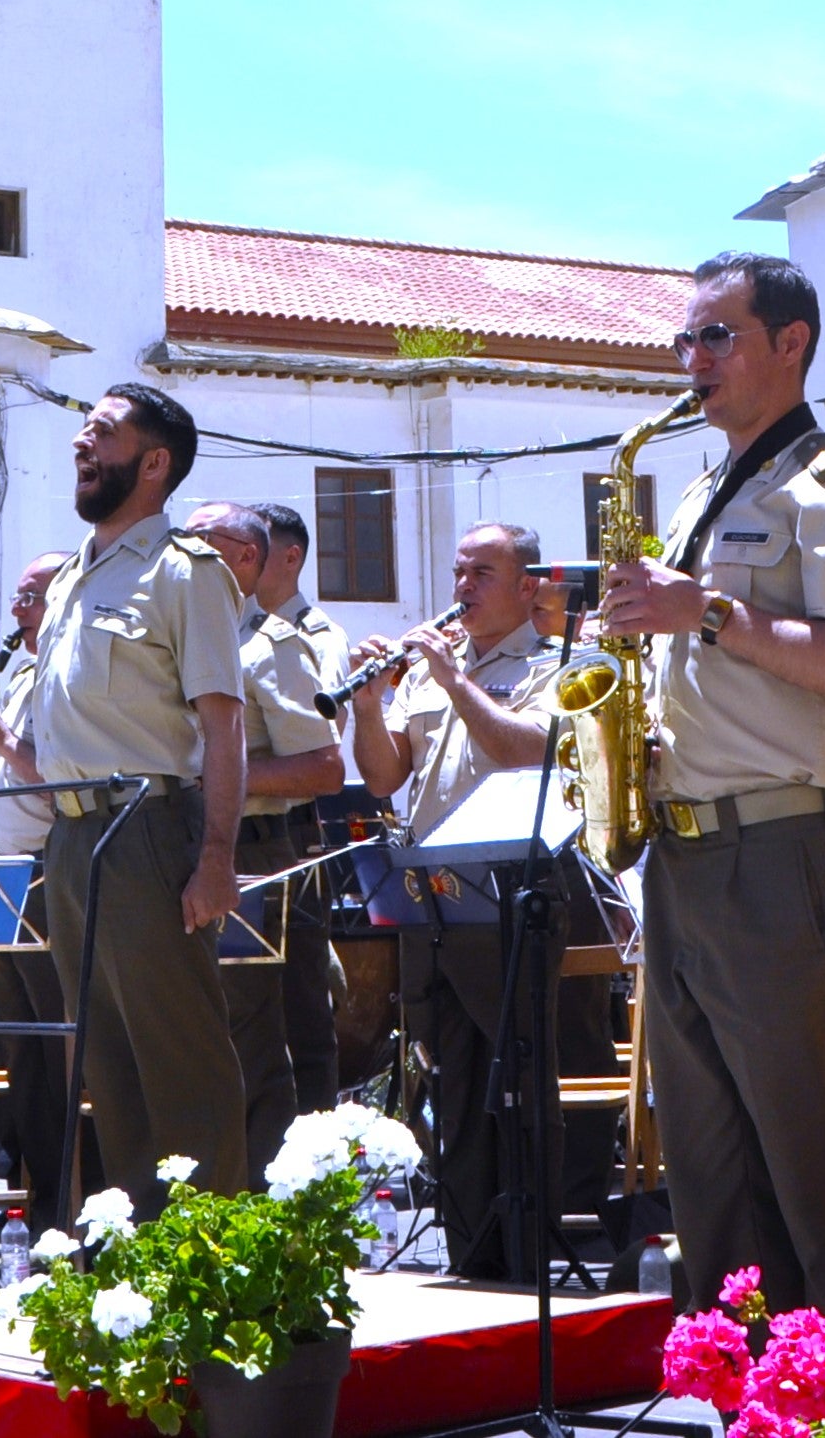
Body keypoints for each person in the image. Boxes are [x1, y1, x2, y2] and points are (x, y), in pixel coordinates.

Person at [600, 251, 825, 1330]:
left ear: (790, 343)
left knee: (812, 1156)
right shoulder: (702, 486)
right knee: (708, 1167)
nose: (694, 361)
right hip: (685, 855)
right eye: (685, 339)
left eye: (717, 336)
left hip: (781, 851)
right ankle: (744, 1385)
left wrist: (705, 613)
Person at [339, 522, 619, 1280]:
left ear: (529, 586)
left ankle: (543, 1240)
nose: (462, 586)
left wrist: (456, 682)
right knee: (451, 1071)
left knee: (527, 1067)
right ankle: (471, 1244)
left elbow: (527, 750)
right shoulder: (434, 668)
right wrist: (368, 706)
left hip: (520, 889)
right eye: (458, 570)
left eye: (482, 573)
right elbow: (381, 776)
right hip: (435, 892)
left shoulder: (555, 661)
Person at [0, 394, 250, 1213]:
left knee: (179, 1058)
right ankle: (139, 1251)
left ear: (153, 464)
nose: (81, 441)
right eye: (84, 430)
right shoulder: (72, 573)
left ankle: (211, 1251)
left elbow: (222, 725)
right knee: (105, 1060)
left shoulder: (187, 572)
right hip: (70, 839)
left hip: (148, 829)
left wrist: (215, 857)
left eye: (103, 432)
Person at [184, 499, 348, 1181]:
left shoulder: (271, 644)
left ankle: (272, 1197)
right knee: (197, 1035)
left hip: (255, 848)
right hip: (178, 847)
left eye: (198, 543)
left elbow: (324, 767)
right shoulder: (183, 633)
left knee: (263, 1035)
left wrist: (216, 777)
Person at [0, 554, 80, 1226]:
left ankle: (68, 1206)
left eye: (33, 596)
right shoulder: (21, 673)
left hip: (46, 875)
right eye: (16, 597)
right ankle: (40, 1203)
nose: (19, 609)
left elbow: (58, 777)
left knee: (55, 1053)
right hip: (2, 876)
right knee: (17, 1053)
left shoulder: (70, 677)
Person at [252, 501, 352, 1113]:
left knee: (301, 1003)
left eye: (252, 549)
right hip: (237, 831)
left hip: (293, 833)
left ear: (289, 557)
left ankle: (314, 1152)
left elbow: (324, 726)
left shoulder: (317, 635)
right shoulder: (225, 630)